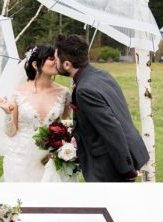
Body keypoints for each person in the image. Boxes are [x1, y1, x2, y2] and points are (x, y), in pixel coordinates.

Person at [55, 35, 149, 182]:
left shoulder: (84, 89)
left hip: (108, 167)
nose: (55, 63)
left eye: (56, 60)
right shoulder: (101, 74)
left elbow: (111, 128)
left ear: (67, 64)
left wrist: (126, 169)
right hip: (126, 153)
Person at [0, 45, 72, 182]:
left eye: (56, 58)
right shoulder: (17, 92)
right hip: (20, 158)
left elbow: (64, 126)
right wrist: (8, 113)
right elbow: (11, 132)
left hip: (49, 159)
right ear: (35, 64)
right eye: (51, 58)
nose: (57, 62)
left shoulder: (64, 93)